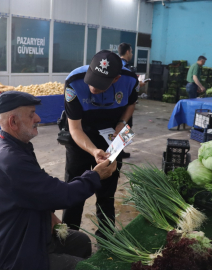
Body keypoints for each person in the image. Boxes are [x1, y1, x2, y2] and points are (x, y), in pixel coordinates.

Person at [0, 91, 117, 270]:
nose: (38, 118)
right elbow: (61, 195)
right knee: (84, 268)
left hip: (27, 228)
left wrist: (49, 215)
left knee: (81, 242)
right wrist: (95, 176)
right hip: (11, 248)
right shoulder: (11, 160)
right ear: (13, 122)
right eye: (31, 114)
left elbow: (38, 191)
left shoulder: (18, 146)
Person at [62, 50, 138, 238]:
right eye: (91, 81)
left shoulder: (129, 79)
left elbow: (131, 102)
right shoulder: (74, 83)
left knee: (108, 188)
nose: (93, 89)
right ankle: (69, 236)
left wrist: (122, 122)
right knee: (75, 186)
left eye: (100, 85)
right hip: (82, 135)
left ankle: (106, 236)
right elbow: (75, 129)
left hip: (113, 134)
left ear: (116, 79)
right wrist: (94, 150)